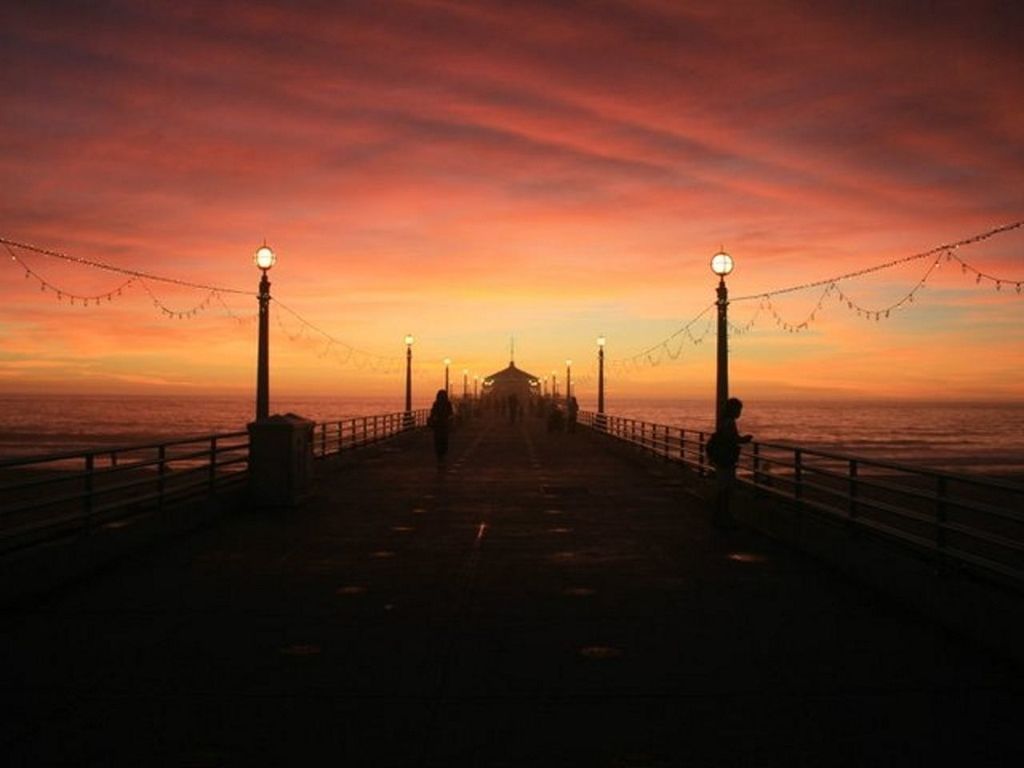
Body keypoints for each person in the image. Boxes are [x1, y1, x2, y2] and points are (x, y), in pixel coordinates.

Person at [714, 397, 752, 527]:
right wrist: (744, 440)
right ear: (733, 410)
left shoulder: (724, 422)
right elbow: (731, 439)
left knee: (723, 488)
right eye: (739, 409)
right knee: (725, 488)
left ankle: (721, 516)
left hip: (722, 458)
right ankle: (723, 517)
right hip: (726, 459)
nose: (740, 412)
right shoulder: (729, 423)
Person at [428, 389, 454, 466]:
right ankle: (442, 456)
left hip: (438, 426)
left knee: (438, 441)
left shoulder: (436, 404)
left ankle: (440, 457)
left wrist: (433, 419)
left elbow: (432, 413)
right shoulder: (448, 404)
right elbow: (451, 414)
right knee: (444, 441)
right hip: (444, 425)